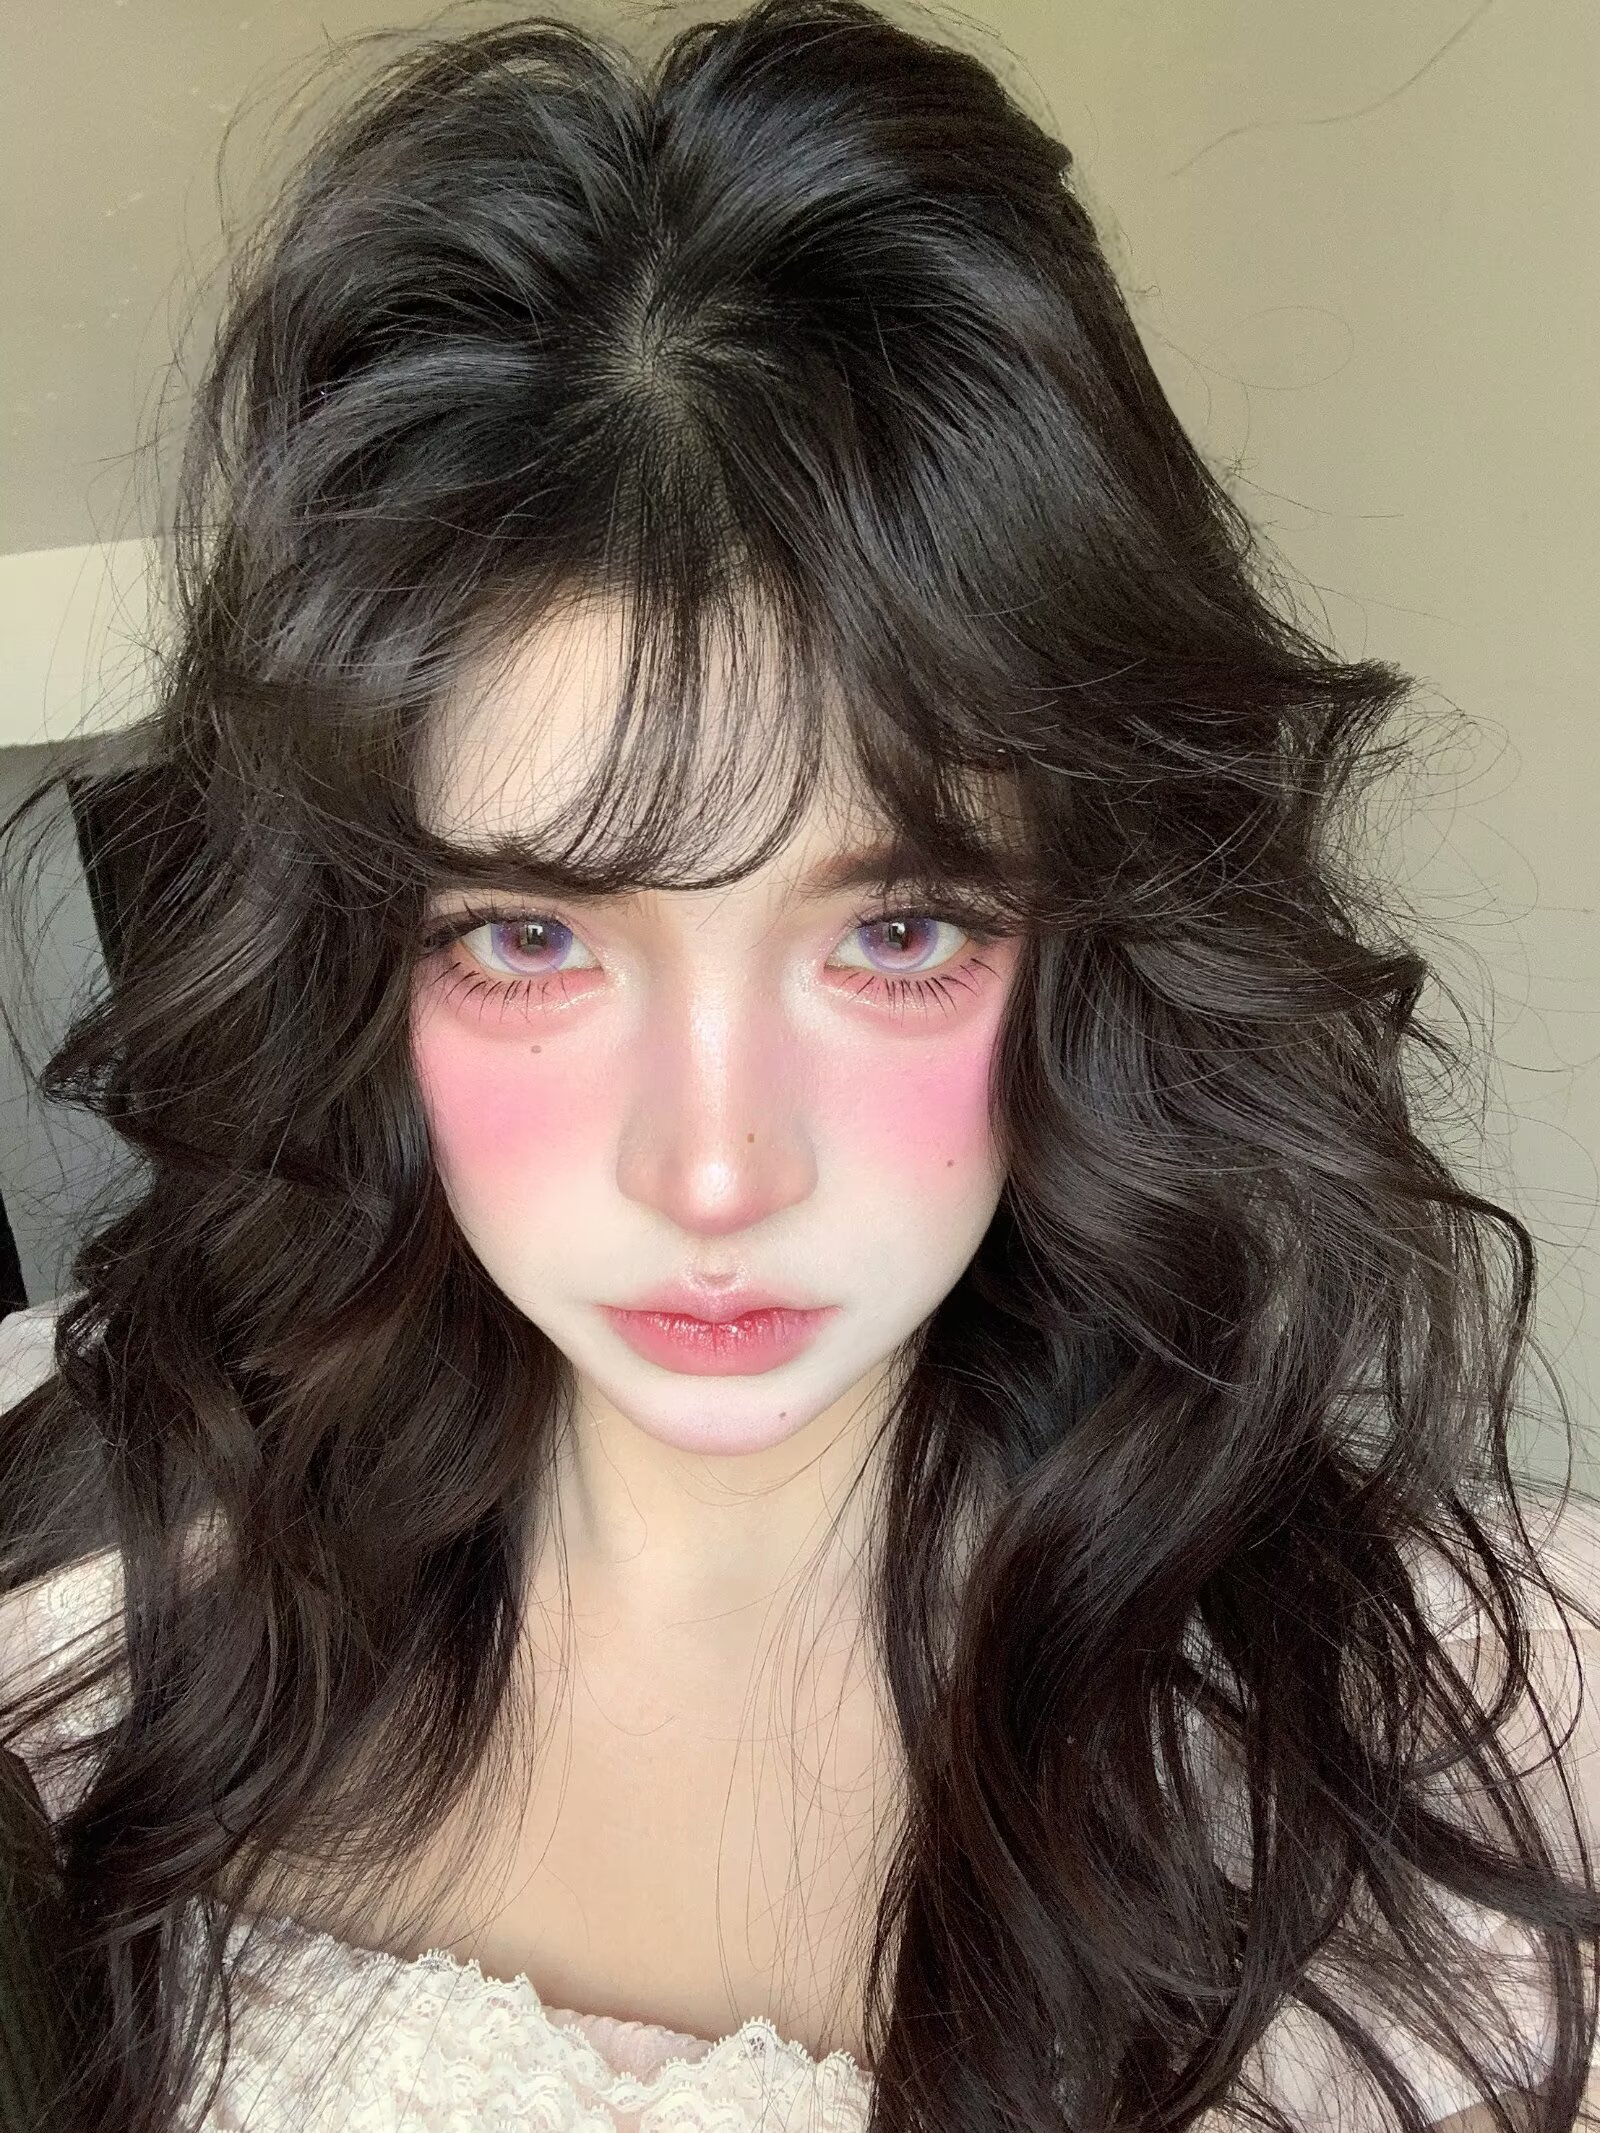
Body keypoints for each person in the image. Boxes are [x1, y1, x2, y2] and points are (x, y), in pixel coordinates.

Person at [1, 3, 1597, 2128]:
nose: (714, 1171)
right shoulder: (86, 1635)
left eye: (897, 929)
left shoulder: (1491, 1749)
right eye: (529, 935)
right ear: (363, 960)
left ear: (1087, 939)